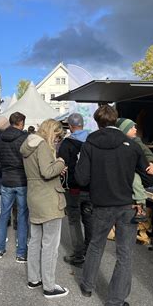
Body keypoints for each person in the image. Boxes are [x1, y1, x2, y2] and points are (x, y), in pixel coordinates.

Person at [75, 105, 153, 306]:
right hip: (127, 205)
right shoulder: (132, 145)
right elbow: (147, 177)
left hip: (101, 204)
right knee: (125, 254)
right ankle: (115, 303)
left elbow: (81, 178)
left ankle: (87, 286)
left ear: (97, 122)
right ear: (116, 120)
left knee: (95, 245)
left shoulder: (89, 144)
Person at [21, 119, 69, 299]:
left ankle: (34, 279)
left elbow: (41, 170)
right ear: (51, 131)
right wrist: (61, 162)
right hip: (48, 198)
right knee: (50, 244)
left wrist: (55, 166)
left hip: (34, 196)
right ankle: (49, 286)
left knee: (35, 241)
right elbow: (47, 172)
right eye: (57, 136)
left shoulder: (29, 144)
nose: (57, 140)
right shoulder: (42, 145)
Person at [58, 113, 92, 266]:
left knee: (74, 220)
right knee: (89, 219)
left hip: (73, 187)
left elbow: (61, 165)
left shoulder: (66, 143)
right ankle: (91, 251)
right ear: (83, 125)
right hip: (91, 187)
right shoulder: (92, 140)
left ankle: (78, 254)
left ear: (70, 127)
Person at [0, 112, 29, 262]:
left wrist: (4, 172)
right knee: (22, 216)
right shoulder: (24, 138)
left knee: (4, 214)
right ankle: (21, 252)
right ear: (20, 122)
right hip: (21, 180)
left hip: (6, 180)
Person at [117, 118, 153, 222]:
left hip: (133, 171)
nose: (135, 129)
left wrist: (152, 164)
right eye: (131, 128)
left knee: (135, 180)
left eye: (134, 127)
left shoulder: (137, 142)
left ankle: (141, 205)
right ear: (124, 130)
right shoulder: (117, 143)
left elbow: (149, 154)